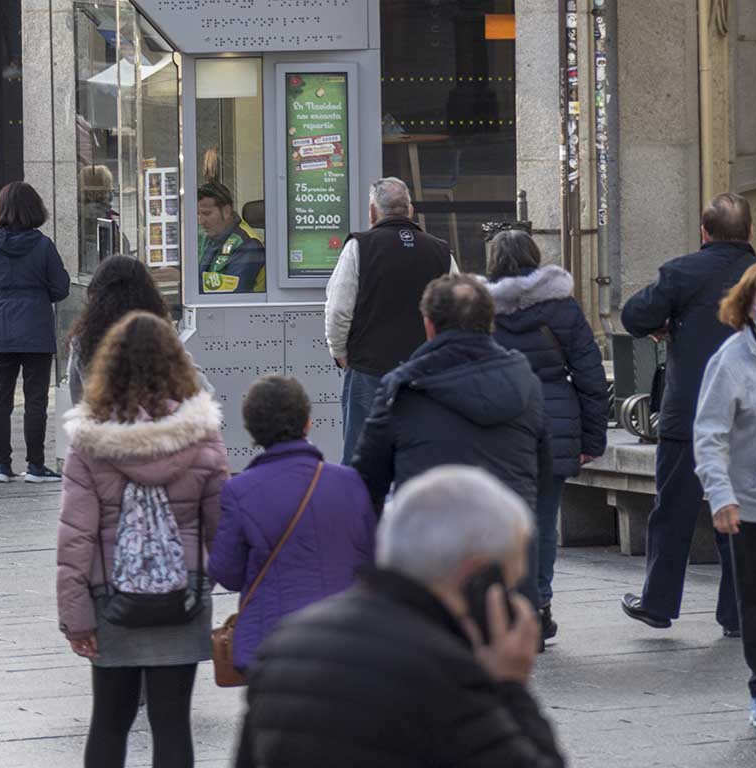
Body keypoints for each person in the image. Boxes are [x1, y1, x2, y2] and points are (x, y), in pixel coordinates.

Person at [236, 466, 565, 768]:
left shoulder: (285, 643)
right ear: (477, 578)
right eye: (507, 586)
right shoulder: (446, 673)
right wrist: (511, 687)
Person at [57, 311, 229, 768]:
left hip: (111, 600)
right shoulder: (202, 437)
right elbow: (221, 527)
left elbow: (75, 537)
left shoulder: (90, 443)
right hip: (183, 599)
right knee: (173, 724)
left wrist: (76, 616)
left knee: (109, 722)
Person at [352, 274, 550, 609]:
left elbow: (367, 479)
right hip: (510, 563)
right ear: (489, 323)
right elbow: (543, 471)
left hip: (431, 568)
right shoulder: (526, 383)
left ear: (429, 325)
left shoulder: (402, 388)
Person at [620, 192, 756, 634]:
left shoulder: (682, 272)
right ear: (751, 232)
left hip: (690, 412)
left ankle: (658, 603)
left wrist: (664, 326)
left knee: (673, 510)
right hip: (749, 417)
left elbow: (633, 315)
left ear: (704, 231)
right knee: (739, 513)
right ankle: (735, 613)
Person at [485, 230, 609, 642]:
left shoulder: (481, 311)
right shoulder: (563, 308)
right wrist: (592, 440)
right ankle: (538, 604)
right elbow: (591, 377)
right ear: (535, 258)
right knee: (542, 520)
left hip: (499, 424)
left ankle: (504, 605)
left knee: (501, 523)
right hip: (554, 421)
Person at [208, 374, 375, 675]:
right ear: (307, 422)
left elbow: (227, 572)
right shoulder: (349, 482)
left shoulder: (240, 491)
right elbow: (371, 557)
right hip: (345, 638)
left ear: (252, 430)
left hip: (273, 645)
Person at [326, 177, 456, 465]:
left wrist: (340, 353)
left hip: (368, 368)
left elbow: (338, 309)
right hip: (426, 373)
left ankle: (364, 510)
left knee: (362, 458)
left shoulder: (359, 247)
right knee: (421, 458)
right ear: (410, 210)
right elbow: (458, 310)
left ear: (373, 212)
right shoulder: (440, 251)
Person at [693, 262, 756, 726]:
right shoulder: (732, 360)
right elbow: (711, 433)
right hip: (749, 505)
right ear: (750, 304)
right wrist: (721, 496)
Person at [0, 181, 70, 484]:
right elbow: (61, 288)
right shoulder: (43, 246)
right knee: (36, 400)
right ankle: (35, 465)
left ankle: (1, 466)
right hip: (35, 328)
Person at [67, 255, 210, 407]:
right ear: (149, 293)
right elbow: (201, 387)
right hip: (158, 425)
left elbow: (77, 396)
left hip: (106, 426)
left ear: (96, 293)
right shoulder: (159, 333)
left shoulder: (84, 339)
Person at [197, 182, 265, 295]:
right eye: (198, 214)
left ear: (226, 211)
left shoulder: (248, 244)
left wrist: (185, 281)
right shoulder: (210, 235)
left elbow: (232, 291)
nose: (201, 221)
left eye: (207, 214)